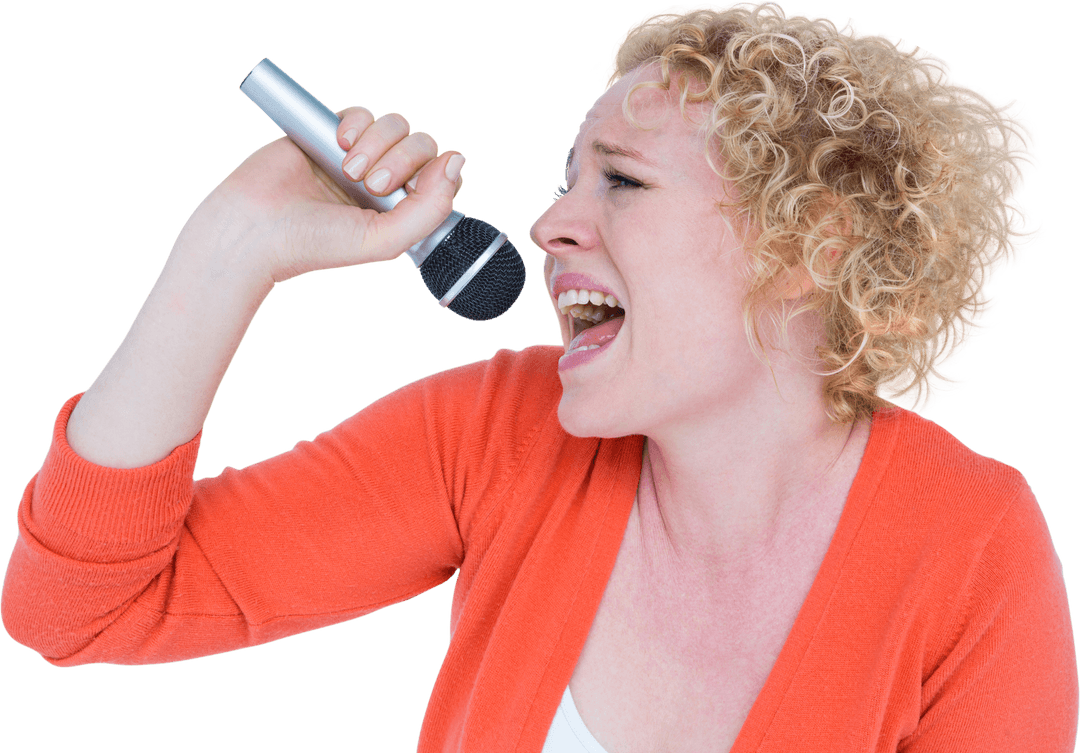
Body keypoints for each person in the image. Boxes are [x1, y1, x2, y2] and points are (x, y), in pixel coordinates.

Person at [2, 1, 1076, 751]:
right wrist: (232, 248)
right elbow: (78, 608)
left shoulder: (970, 545)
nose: (552, 223)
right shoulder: (501, 430)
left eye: (623, 182)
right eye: (567, 181)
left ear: (814, 245)